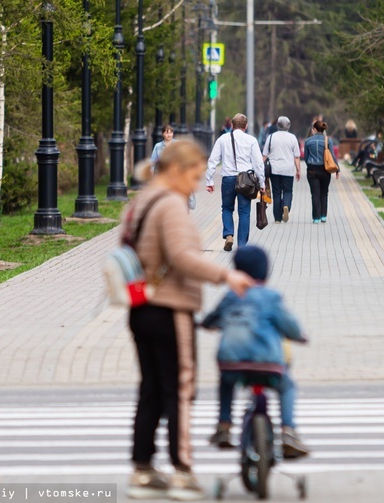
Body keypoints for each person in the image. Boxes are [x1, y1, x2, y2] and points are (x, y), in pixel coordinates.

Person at [124, 139, 255, 501]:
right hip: (170, 307)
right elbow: (181, 257)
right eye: (195, 176)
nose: (196, 184)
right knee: (179, 390)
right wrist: (225, 276)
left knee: (150, 388)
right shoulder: (170, 205)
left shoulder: (142, 201)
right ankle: (182, 470)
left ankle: (143, 469)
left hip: (141, 308)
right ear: (178, 171)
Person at [201, 245, 311, 459]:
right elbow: (289, 325)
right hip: (267, 362)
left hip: (231, 362)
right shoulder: (271, 297)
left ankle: (224, 425)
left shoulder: (231, 296)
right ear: (265, 271)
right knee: (287, 386)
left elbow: (212, 319)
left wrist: (205, 324)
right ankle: (288, 431)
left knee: (226, 382)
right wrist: (299, 336)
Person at [206, 113, 266, 251]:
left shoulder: (222, 139)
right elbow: (258, 164)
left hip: (228, 178)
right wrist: (262, 183)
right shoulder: (251, 140)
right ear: (245, 126)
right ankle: (242, 245)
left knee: (227, 208)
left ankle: (228, 234)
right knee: (244, 212)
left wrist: (209, 180)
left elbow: (213, 160)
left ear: (232, 125)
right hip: (245, 181)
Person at [262, 116, 300, 223]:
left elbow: (264, 155)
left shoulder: (271, 137)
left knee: (277, 192)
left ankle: (278, 218)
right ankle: (286, 205)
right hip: (288, 169)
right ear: (288, 126)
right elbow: (296, 156)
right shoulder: (292, 138)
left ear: (277, 125)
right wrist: (298, 170)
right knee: (288, 191)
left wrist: (259, 168)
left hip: (274, 170)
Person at [303, 120, 340, 223]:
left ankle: (316, 217)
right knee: (324, 193)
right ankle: (323, 215)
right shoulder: (328, 141)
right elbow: (332, 156)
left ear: (315, 129)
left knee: (315, 194)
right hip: (325, 170)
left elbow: (306, 157)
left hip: (312, 170)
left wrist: (310, 165)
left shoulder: (308, 141)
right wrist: (337, 169)